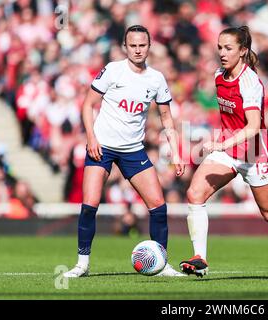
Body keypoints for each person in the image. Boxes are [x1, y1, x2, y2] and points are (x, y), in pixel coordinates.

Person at [178, 26, 268, 280]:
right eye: (219, 47)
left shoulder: (250, 82)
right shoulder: (219, 74)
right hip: (229, 150)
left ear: (242, 51)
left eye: (228, 48)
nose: (222, 53)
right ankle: (200, 259)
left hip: (254, 153)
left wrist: (220, 145)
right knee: (195, 193)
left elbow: (253, 127)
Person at [64, 25, 185, 277]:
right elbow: (87, 105)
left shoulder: (156, 79)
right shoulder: (112, 70)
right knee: (90, 204)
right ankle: (82, 264)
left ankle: (161, 263)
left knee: (158, 206)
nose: (138, 50)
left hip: (133, 150)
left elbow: (166, 118)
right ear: (125, 46)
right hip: (103, 147)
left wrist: (176, 152)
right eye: (133, 45)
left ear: (149, 46)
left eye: (142, 45)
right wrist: (91, 138)